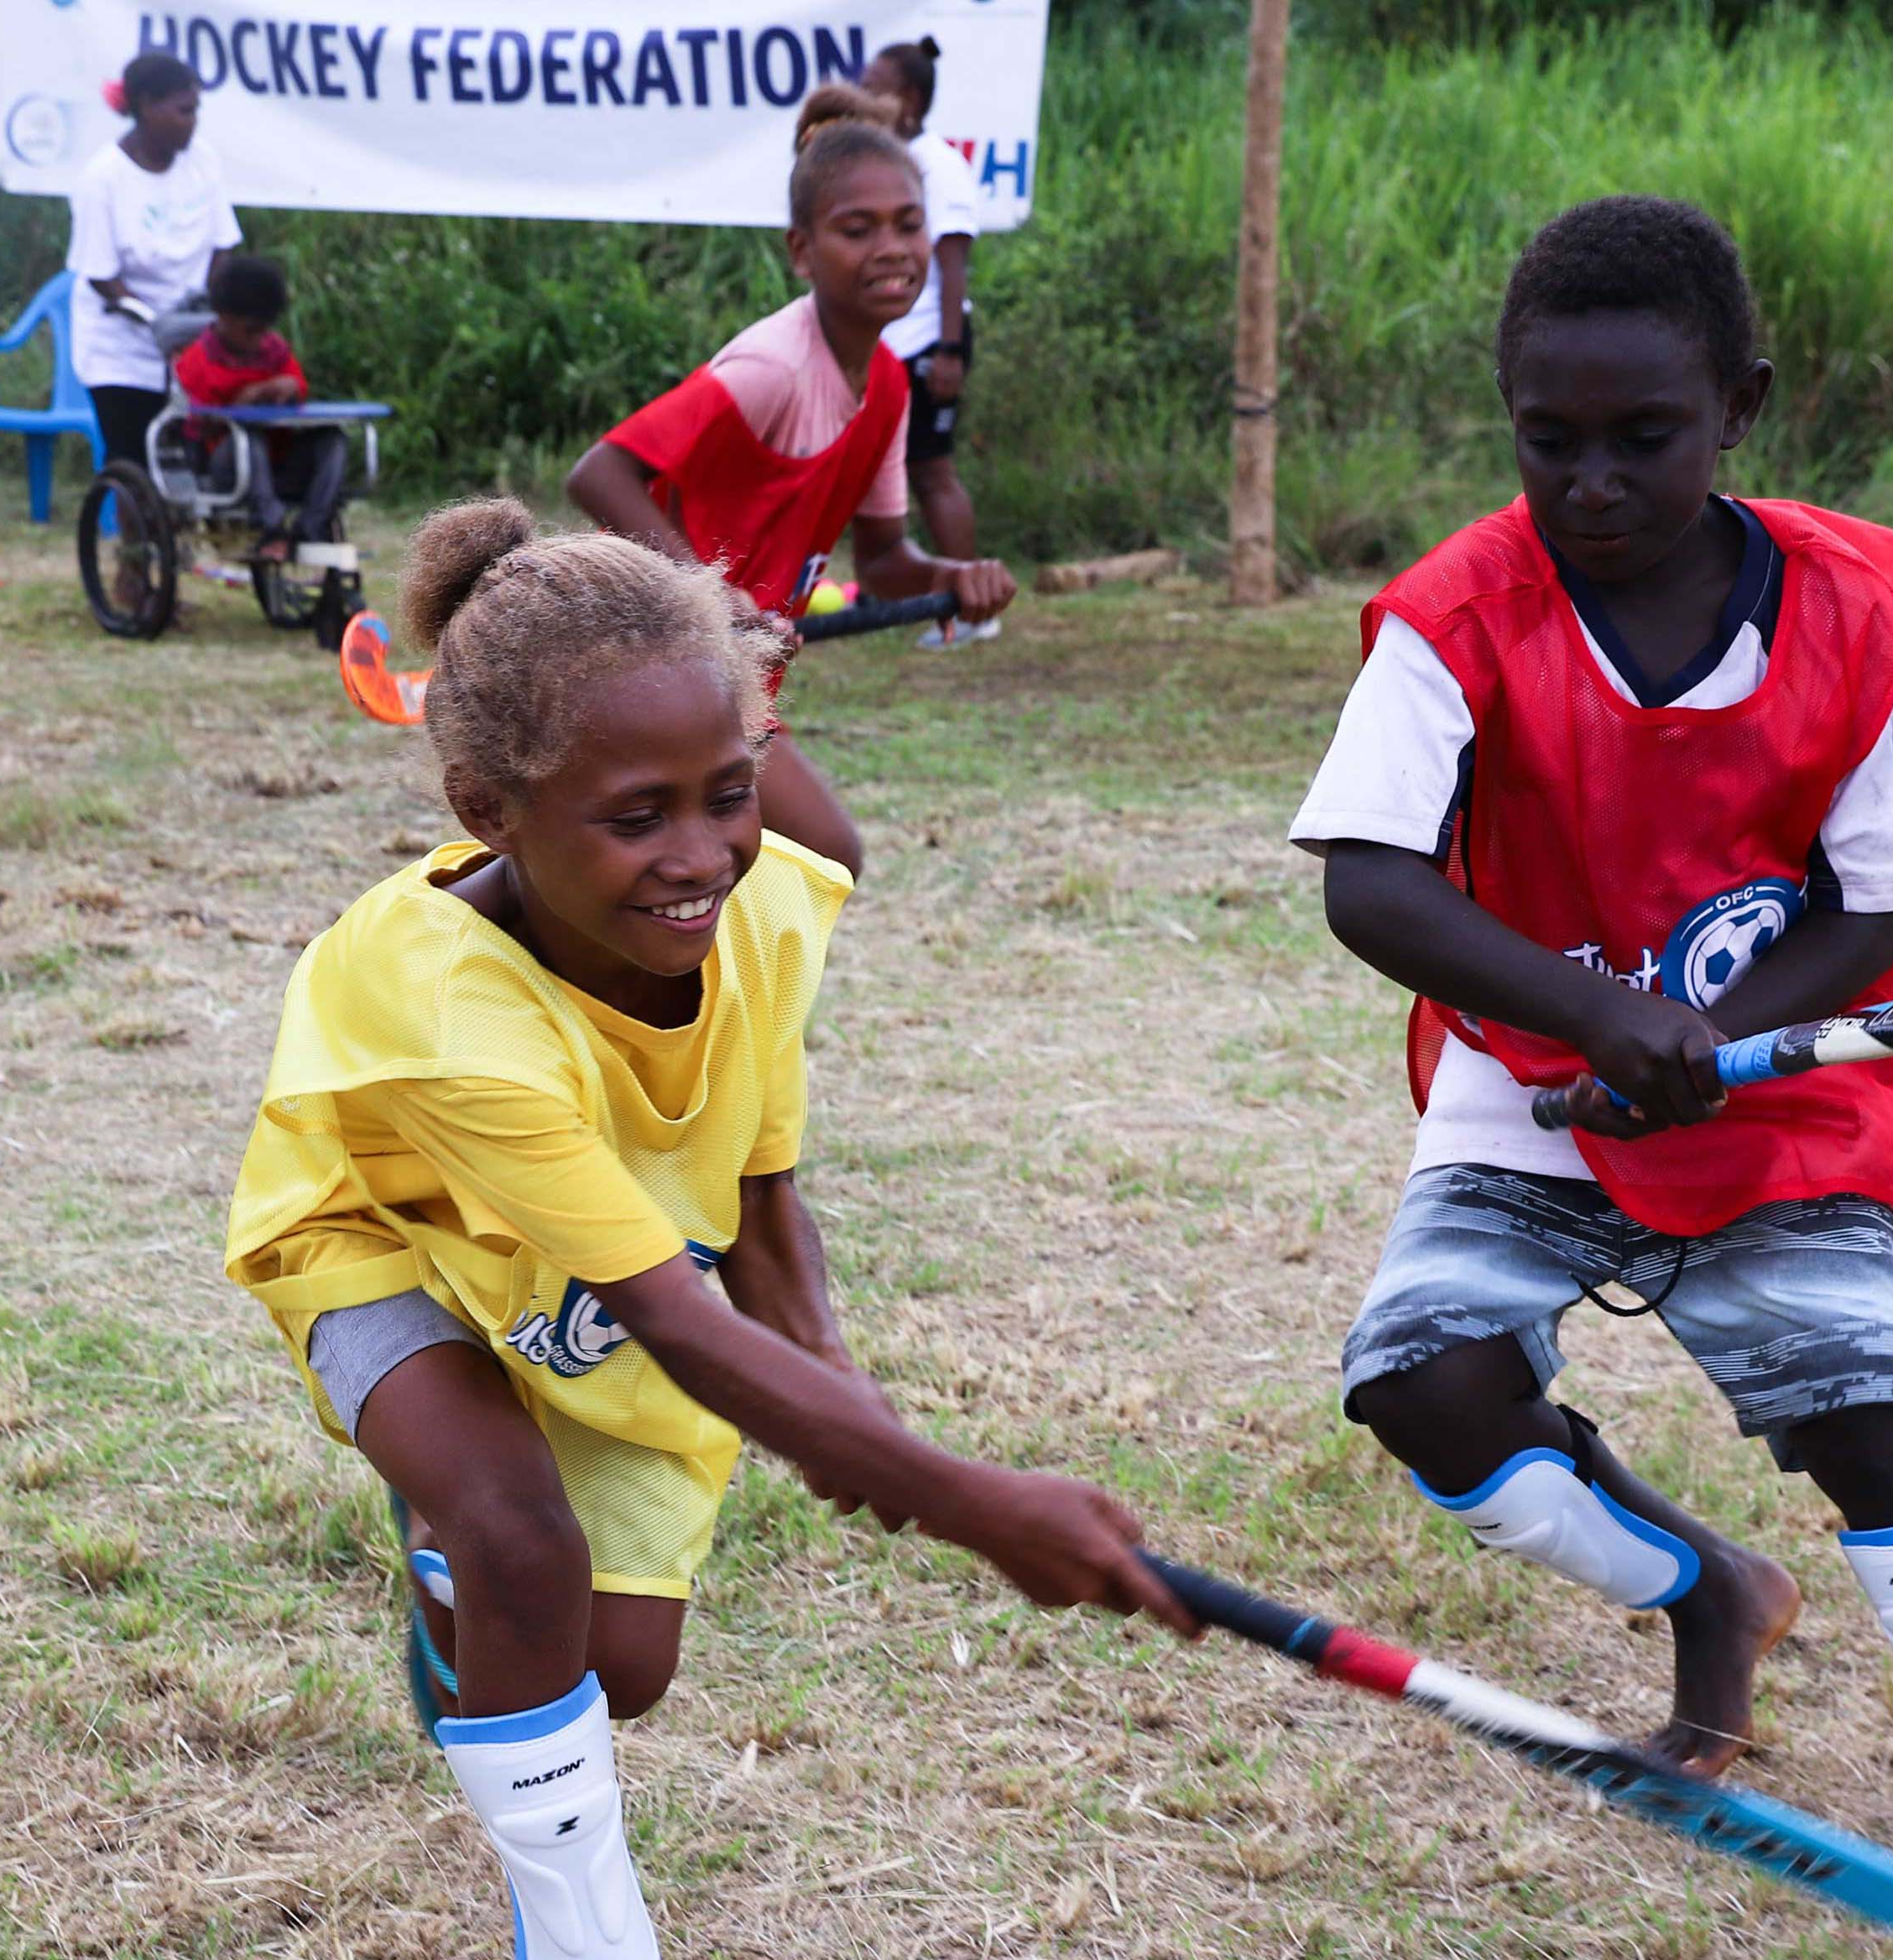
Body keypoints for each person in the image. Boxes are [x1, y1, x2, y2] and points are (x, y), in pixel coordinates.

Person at [1289, 195, 1893, 1952]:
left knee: (1870, 1422)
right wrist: (1597, 1026)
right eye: (1548, 440)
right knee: (1422, 1385)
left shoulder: (1844, 612)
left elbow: (1874, 899)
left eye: (1641, 437)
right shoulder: (1452, 617)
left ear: (1740, 401)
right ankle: (1705, 1586)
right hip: (1536, 1068)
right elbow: (1372, 878)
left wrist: (1718, 1048)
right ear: (1506, 411)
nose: (1589, 481)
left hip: (1778, 1084)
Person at [225, 500, 1189, 1959]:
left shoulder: (766, 904)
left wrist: (842, 1392)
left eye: (728, 792)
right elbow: (681, 1324)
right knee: (520, 1535)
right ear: (488, 810)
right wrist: (962, 1498)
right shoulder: (446, 1017)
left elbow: (757, 1194)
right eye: (636, 816)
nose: (701, 857)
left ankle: (457, 1603)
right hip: (385, 1232)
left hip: (576, 1241)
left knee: (624, 1668)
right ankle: (582, 1925)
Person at [566, 91, 1015, 880]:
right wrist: (710, 596)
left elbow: (882, 564)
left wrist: (957, 578)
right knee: (815, 856)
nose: (892, 249)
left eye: (909, 225)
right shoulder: (772, 367)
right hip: (646, 665)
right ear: (803, 253)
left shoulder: (885, 381)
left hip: (721, 683)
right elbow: (601, 472)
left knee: (780, 875)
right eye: (857, 229)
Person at [863, 38, 988, 647]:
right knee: (901, 471)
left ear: (907, 96)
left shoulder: (938, 166)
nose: (862, 93)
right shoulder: (894, 160)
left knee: (934, 472)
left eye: (874, 83)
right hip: (897, 347)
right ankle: (925, 597)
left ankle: (973, 612)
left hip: (931, 343)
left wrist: (948, 351)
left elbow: (953, 262)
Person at [65, 50, 233, 488]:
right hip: (120, 349)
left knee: (195, 455)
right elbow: (102, 276)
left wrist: (207, 315)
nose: (192, 121)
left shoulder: (204, 163)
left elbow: (222, 248)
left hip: (192, 340)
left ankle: (201, 548)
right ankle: (134, 553)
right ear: (144, 105)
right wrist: (155, 322)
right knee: (134, 460)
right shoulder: (102, 178)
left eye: (196, 110)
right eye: (183, 111)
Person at [170, 253, 338, 558]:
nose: (260, 339)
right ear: (224, 317)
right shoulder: (197, 360)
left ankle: (311, 526)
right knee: (247, 439)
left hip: (280, 459)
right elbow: (197, 425)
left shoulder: (276, 352)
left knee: (333, 440)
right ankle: (271, 527)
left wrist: (288, 388)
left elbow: (298, 387)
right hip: (228, 463)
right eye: (251, 330)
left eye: (265, 329)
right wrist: (239, 403)